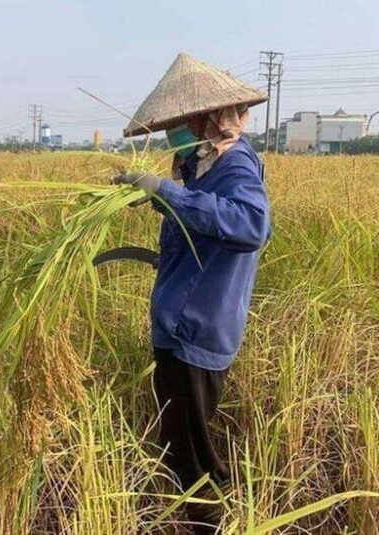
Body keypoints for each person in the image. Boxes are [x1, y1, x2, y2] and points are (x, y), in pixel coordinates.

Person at [113, 53, 270, 531]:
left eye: (180, 122)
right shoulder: (200, 163)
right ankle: (190, 514)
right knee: (178, 439)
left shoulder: (234, 162)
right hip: (178, 322)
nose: (173, 132)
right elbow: (202, 224)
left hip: (197, 327)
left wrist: (167, 193)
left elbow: (250, 225)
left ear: (206, 117)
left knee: (195, 454)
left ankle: (207, 524)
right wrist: (164, 202)